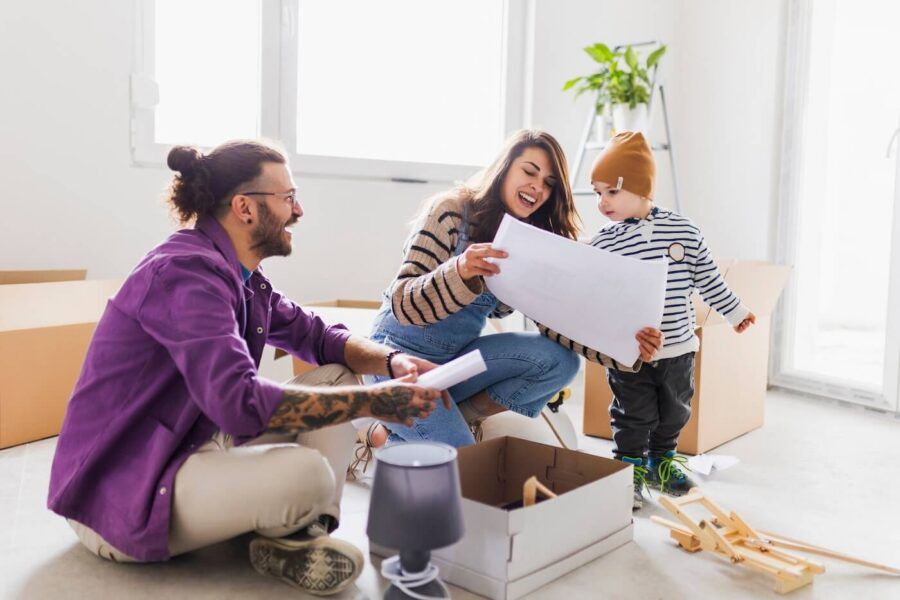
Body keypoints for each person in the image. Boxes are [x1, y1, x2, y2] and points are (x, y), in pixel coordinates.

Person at [47, 140, 448, 596]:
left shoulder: (239, 276)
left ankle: (300, 534)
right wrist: (373, 402)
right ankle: (286, 519)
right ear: (245, 208)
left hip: (188, 441)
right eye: (288, 197)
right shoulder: (187, 275)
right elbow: (239, 403)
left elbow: (316, 335)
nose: (299, 210)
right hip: (126, 489)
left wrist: (390, 362)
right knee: (309, 472)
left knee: (338, 374)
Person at [358, 129, 663, 450]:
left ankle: (440, 420)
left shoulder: (526, 241)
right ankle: (379, 431)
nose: (537, 186)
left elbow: (558, 327)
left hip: (452, 366)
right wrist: (460, 270)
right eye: (529, 171)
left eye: (549, 183)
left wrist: (627, 350)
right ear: (504, 168)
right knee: (466, 459)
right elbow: (403, 303)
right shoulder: (449, 211)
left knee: (561, 361)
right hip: (395, 359)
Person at [574, 131, 756, 509]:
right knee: (632, 414)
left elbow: (709, 279)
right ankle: (629, 470)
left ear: (641, 188)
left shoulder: (683, 232)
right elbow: (598, 298)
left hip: (678, 348)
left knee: (675, 411)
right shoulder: (604, 244)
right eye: (597, 193)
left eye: (611, 191)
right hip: (630, 352)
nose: (602, 202)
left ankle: (661, 462)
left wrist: (736, 313)